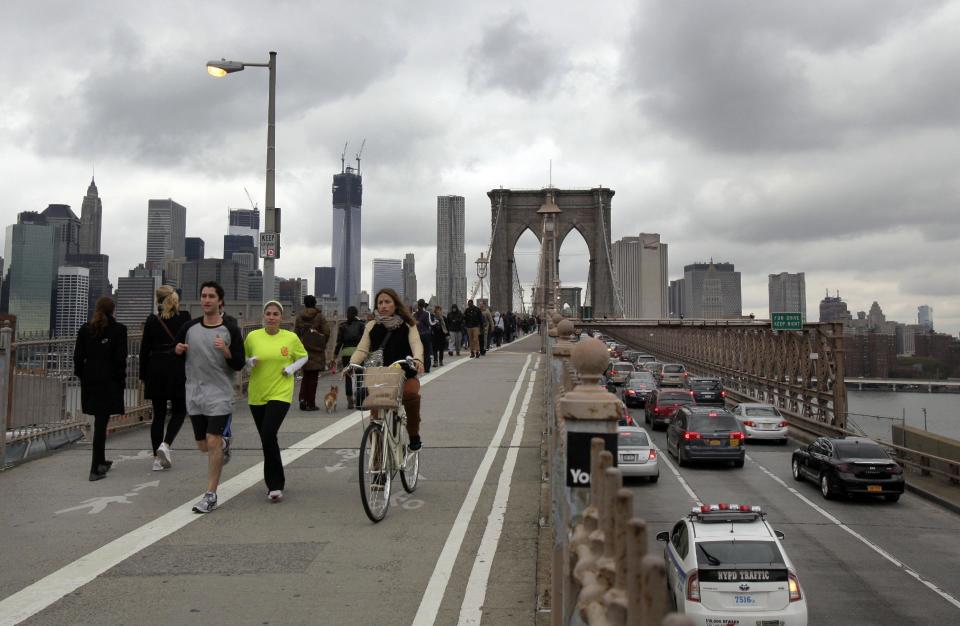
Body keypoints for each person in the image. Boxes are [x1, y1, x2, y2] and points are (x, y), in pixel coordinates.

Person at [175, 281, 245, 514]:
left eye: (211, 296)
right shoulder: (189, 327)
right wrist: (176, 351)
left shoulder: (230, 329)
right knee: (203, 445)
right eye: (203, 296)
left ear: (220, 301)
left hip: (220, 393)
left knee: (212, 440)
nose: (206, 300)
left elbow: (238, 362)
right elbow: (174, 353)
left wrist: (226, 352)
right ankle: (224, 443)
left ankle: (211, 494)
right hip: (195, 393)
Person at [245, 301, 308, 502]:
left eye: (275, 314)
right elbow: (244, 360)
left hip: (280, 392)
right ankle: (275, 480)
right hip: (257, 394)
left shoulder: (290, 338)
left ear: (282, 318)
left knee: (268, 432)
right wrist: (250, 362)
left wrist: (290, 369)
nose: (271, 317)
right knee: (267, 439)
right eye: (268, 314)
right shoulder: (253, 336)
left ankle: (275, 484)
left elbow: (303, 356)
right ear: (263, 317)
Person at [349, 288, 425, 450]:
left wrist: (418, 359)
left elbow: (416, 343)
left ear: (395, 305)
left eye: (387, 302)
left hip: (404, 372)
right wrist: (351, 364)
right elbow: (362, 350)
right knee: (375, 416)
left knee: (411, 395)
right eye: (380, 303)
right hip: (380, 375)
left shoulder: (408, 325)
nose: (383, 306)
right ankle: (377, 461)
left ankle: (413, 434)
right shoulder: (371, 326)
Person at [74, 297, 127, 482]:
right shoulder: (119, 330)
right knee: (101, 424)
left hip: (91, 380)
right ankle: (95, 468)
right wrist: (121, 381)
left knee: (99, 421)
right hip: (109, 380)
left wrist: (84, 376)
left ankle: (101, 461)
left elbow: (77, 358)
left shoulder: (85, 329)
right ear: (113, 310)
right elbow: (121, 360)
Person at [139, 285, 191, 472]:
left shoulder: (152, 320)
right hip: (176, 367)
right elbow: (189, 344)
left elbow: (144, 350)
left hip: (156, 368)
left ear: (158, 299)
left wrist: (143, 375)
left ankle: (155, 458)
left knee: (158, 415)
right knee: (179, 410)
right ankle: (166, 444)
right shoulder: (184, 318)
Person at [294, 295, 328, 411]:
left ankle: (302, 399)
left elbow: (295, 335)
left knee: (305, 376)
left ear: (305, 304)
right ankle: (310, 403)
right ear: (315, 303)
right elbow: (327, 332)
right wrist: (321, 343)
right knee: (313, 378)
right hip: (316, 351)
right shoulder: (319, 316)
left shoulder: (299, 317)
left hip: (303, 350)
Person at [335, 306, 366, 409]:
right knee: (359, 376)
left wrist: (335, 355)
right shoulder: (361, 325)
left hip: (346, 353)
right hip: (358, 352)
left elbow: (339, 342)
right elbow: (365, 341)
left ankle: (349, 401)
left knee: (348, 376)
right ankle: (358, 398)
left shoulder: (343, 326)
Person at [414, 299, 435, 373]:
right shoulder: (427, 313)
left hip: (417, 335)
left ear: (418, 304)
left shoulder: (414, 314)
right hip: (425, 335)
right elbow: (430, 323)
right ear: (423, 305)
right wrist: (435, 322)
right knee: (427, 352)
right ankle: (426, 368)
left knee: (417, 352)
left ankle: (417, 368)